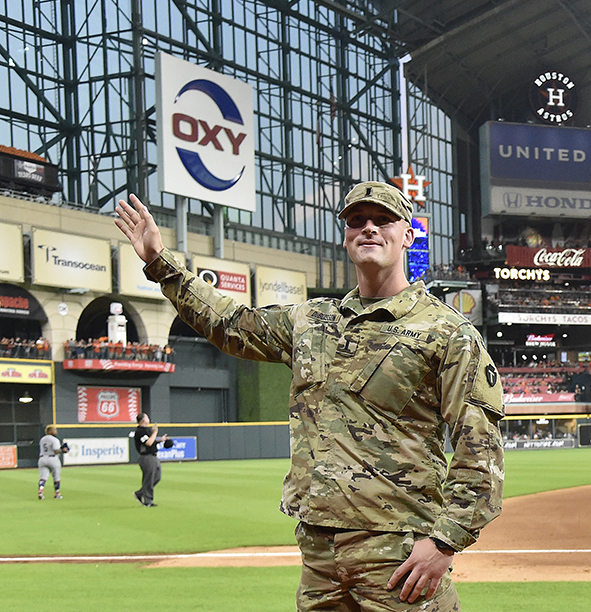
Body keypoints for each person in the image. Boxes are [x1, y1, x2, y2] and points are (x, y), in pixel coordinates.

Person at [114, 180, 504, 611]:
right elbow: (229, 323)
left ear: (407, 235)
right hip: (319, 556)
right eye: (356, 221)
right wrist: (159, 261)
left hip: (399, 553)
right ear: (345, 236)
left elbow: (480, 448)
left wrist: (446, 542)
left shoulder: (446, 331)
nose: (368, 229)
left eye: (383, 220)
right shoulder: (311, 321)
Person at [133, 413, 167, 507]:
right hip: (146, 457)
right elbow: (148, 443)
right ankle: (148, 501)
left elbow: (152, 442)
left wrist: (160, 440)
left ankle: (140, 493)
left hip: (153, 456)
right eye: (147, 417)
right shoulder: (140, 431)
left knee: (157, 477)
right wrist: (155, 432)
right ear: (143, 420)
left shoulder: (146, 430)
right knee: (149, 478)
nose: (149, 419)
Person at [38, 425, 67, 500]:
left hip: (42, 458)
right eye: (54, 430)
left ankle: (41, 491)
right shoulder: (55, 440)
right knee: (56, 476)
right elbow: (56, 450)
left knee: (43, 477)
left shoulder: (42, 439)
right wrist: (63, 450)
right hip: (53, 459)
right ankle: (57, 493)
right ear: (50, 431)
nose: (56, 431)